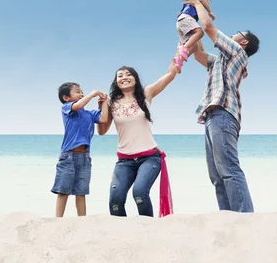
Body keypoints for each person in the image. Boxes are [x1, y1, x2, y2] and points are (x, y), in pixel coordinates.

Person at [181, 0, 260, 213]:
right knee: (216, 174)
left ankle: (244, 217)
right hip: (213, 116)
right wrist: (188, 28)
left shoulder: (237, 53)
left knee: (229, 169)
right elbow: (198, 54)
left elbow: (208, 28)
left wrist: (198, 4)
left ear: (243, 42)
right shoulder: (219, 61)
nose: (233, 34)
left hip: (224, 114)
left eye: (238, 33)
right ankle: (227, 216)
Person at [96, 60, 180, 217]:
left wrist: (181, 53)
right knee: (116, 199)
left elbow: (170, 74)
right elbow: (101, 131)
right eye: (120, 75)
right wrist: (101, 107)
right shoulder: (111, 103)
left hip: (149, 158)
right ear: (116, 81)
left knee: (140, 193)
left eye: (128, 74)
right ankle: (121, 233)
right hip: (124, 161)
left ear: (135, 78)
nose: (124, 77)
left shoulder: (146, 93)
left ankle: (148, 229)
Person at [51, 82, 109, 217]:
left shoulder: (89, 114)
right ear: (66, 97)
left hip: (85, 158)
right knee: (63, 190)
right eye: (78, 91)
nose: (81, 93)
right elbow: (78, 106)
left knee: (81, 192)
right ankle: (58, 220)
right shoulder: (67, 108)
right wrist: (92, 94)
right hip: (68, 156)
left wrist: (103, 102)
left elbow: (104, 118)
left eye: (82, 91)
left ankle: (82, 220)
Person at [173, 0, 216, 73]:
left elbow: (199, 53)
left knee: (195, 46)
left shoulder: (191, 7)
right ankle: (183, 48)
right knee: (200, 33)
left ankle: (178, 61)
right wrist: (210, 11)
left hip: (181, 22)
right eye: (207, 3)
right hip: (186, 18)